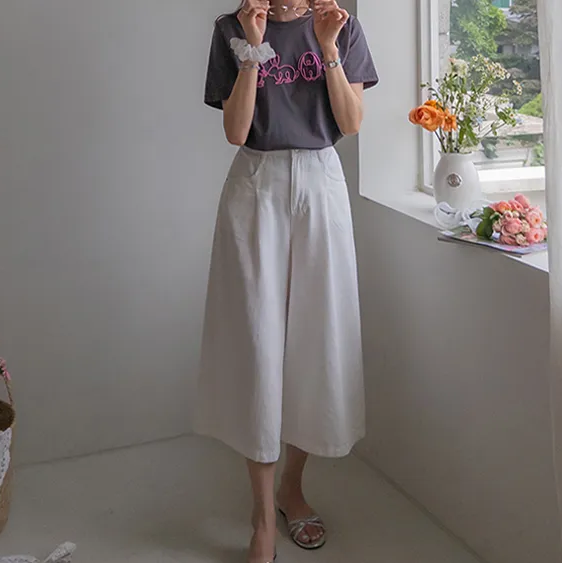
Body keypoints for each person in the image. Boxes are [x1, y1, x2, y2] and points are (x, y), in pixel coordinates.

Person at [195, 0, 379, 561]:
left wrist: (327, 48)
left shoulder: (340, 25)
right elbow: (236, 130)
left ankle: (291, 489)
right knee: (257, 343)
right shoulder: (232, 28)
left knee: (316, 340)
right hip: (257, 184)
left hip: (321, 182)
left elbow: (350, 122)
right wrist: (253, 48)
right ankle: (261, 517)